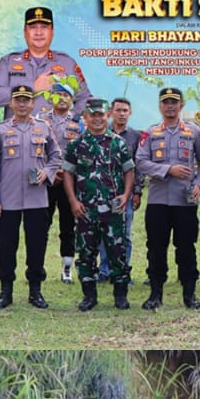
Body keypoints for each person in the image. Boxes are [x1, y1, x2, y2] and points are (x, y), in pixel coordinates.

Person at [0, 83, 60, 310]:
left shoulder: (44, 128)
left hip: (37, 198)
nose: (23, 104)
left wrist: (47, 172)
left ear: (33, 103)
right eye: (18, 100)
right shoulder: (0, 130)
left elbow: (56, 156)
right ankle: (6, 290)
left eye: (27, 100)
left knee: (37, 244)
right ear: (11, 103)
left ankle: (35, 290)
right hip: (8, 198)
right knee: (6, 244)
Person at [135, 86, 200, 310]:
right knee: (156, 248)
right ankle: (155, 294)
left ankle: (190, 295)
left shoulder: (194, 132)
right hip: (158, 202)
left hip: (185, 202)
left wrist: (199, 184)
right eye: (166, 102)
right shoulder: (150, 133)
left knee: (186, 247)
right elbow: (140, 161)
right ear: (160, 106)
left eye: (174, 102)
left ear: (181, 106)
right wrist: (168, 170)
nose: (170, 106)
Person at [62, 97, 134, 311]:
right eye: (93, 115)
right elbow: (67, 173)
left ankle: (120, 296)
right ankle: (89, 296)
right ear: (86, 117)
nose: (97, 119)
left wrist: (126, 195)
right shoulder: (77, 145)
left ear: (107, 116)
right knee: (86, 255)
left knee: (118, 254)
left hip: (113, 210)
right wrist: (73, 201)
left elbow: (129, 170)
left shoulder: (117, 143)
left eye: (101, 115)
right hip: (86, 211)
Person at [0, 6, 90, 124]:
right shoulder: (8, 62)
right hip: (18, 138)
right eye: (33, 27)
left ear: (52, 31)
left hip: (56, 139)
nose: (39, 33)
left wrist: (70, 120)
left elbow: (85, 98)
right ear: (25, 31)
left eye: (44, 27)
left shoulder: (67, 63)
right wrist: (32, 87)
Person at [97, 97, 141, 284]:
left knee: (123, 234)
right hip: (102, 193)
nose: (122, 114)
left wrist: (137, 191)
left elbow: (138, 165)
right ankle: (105, 271)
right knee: (103, 233)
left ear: (130, 113)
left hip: (125, 194)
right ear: (110, 113)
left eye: (125, 110)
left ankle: (122, 270)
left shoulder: (136, 137)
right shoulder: (101, 133)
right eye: (118, 110)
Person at [46, 82, 81, 284]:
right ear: (51, 98)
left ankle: (66, 269)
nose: (62, 98)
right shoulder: (40, 121)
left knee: (68, 228)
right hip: (47, 182)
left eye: (66, 95)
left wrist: (66, 172)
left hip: (70, 182)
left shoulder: (79, 123)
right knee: (41, 225)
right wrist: (51, 171)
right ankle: (37, 266)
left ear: (71, 99)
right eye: (57, 94)